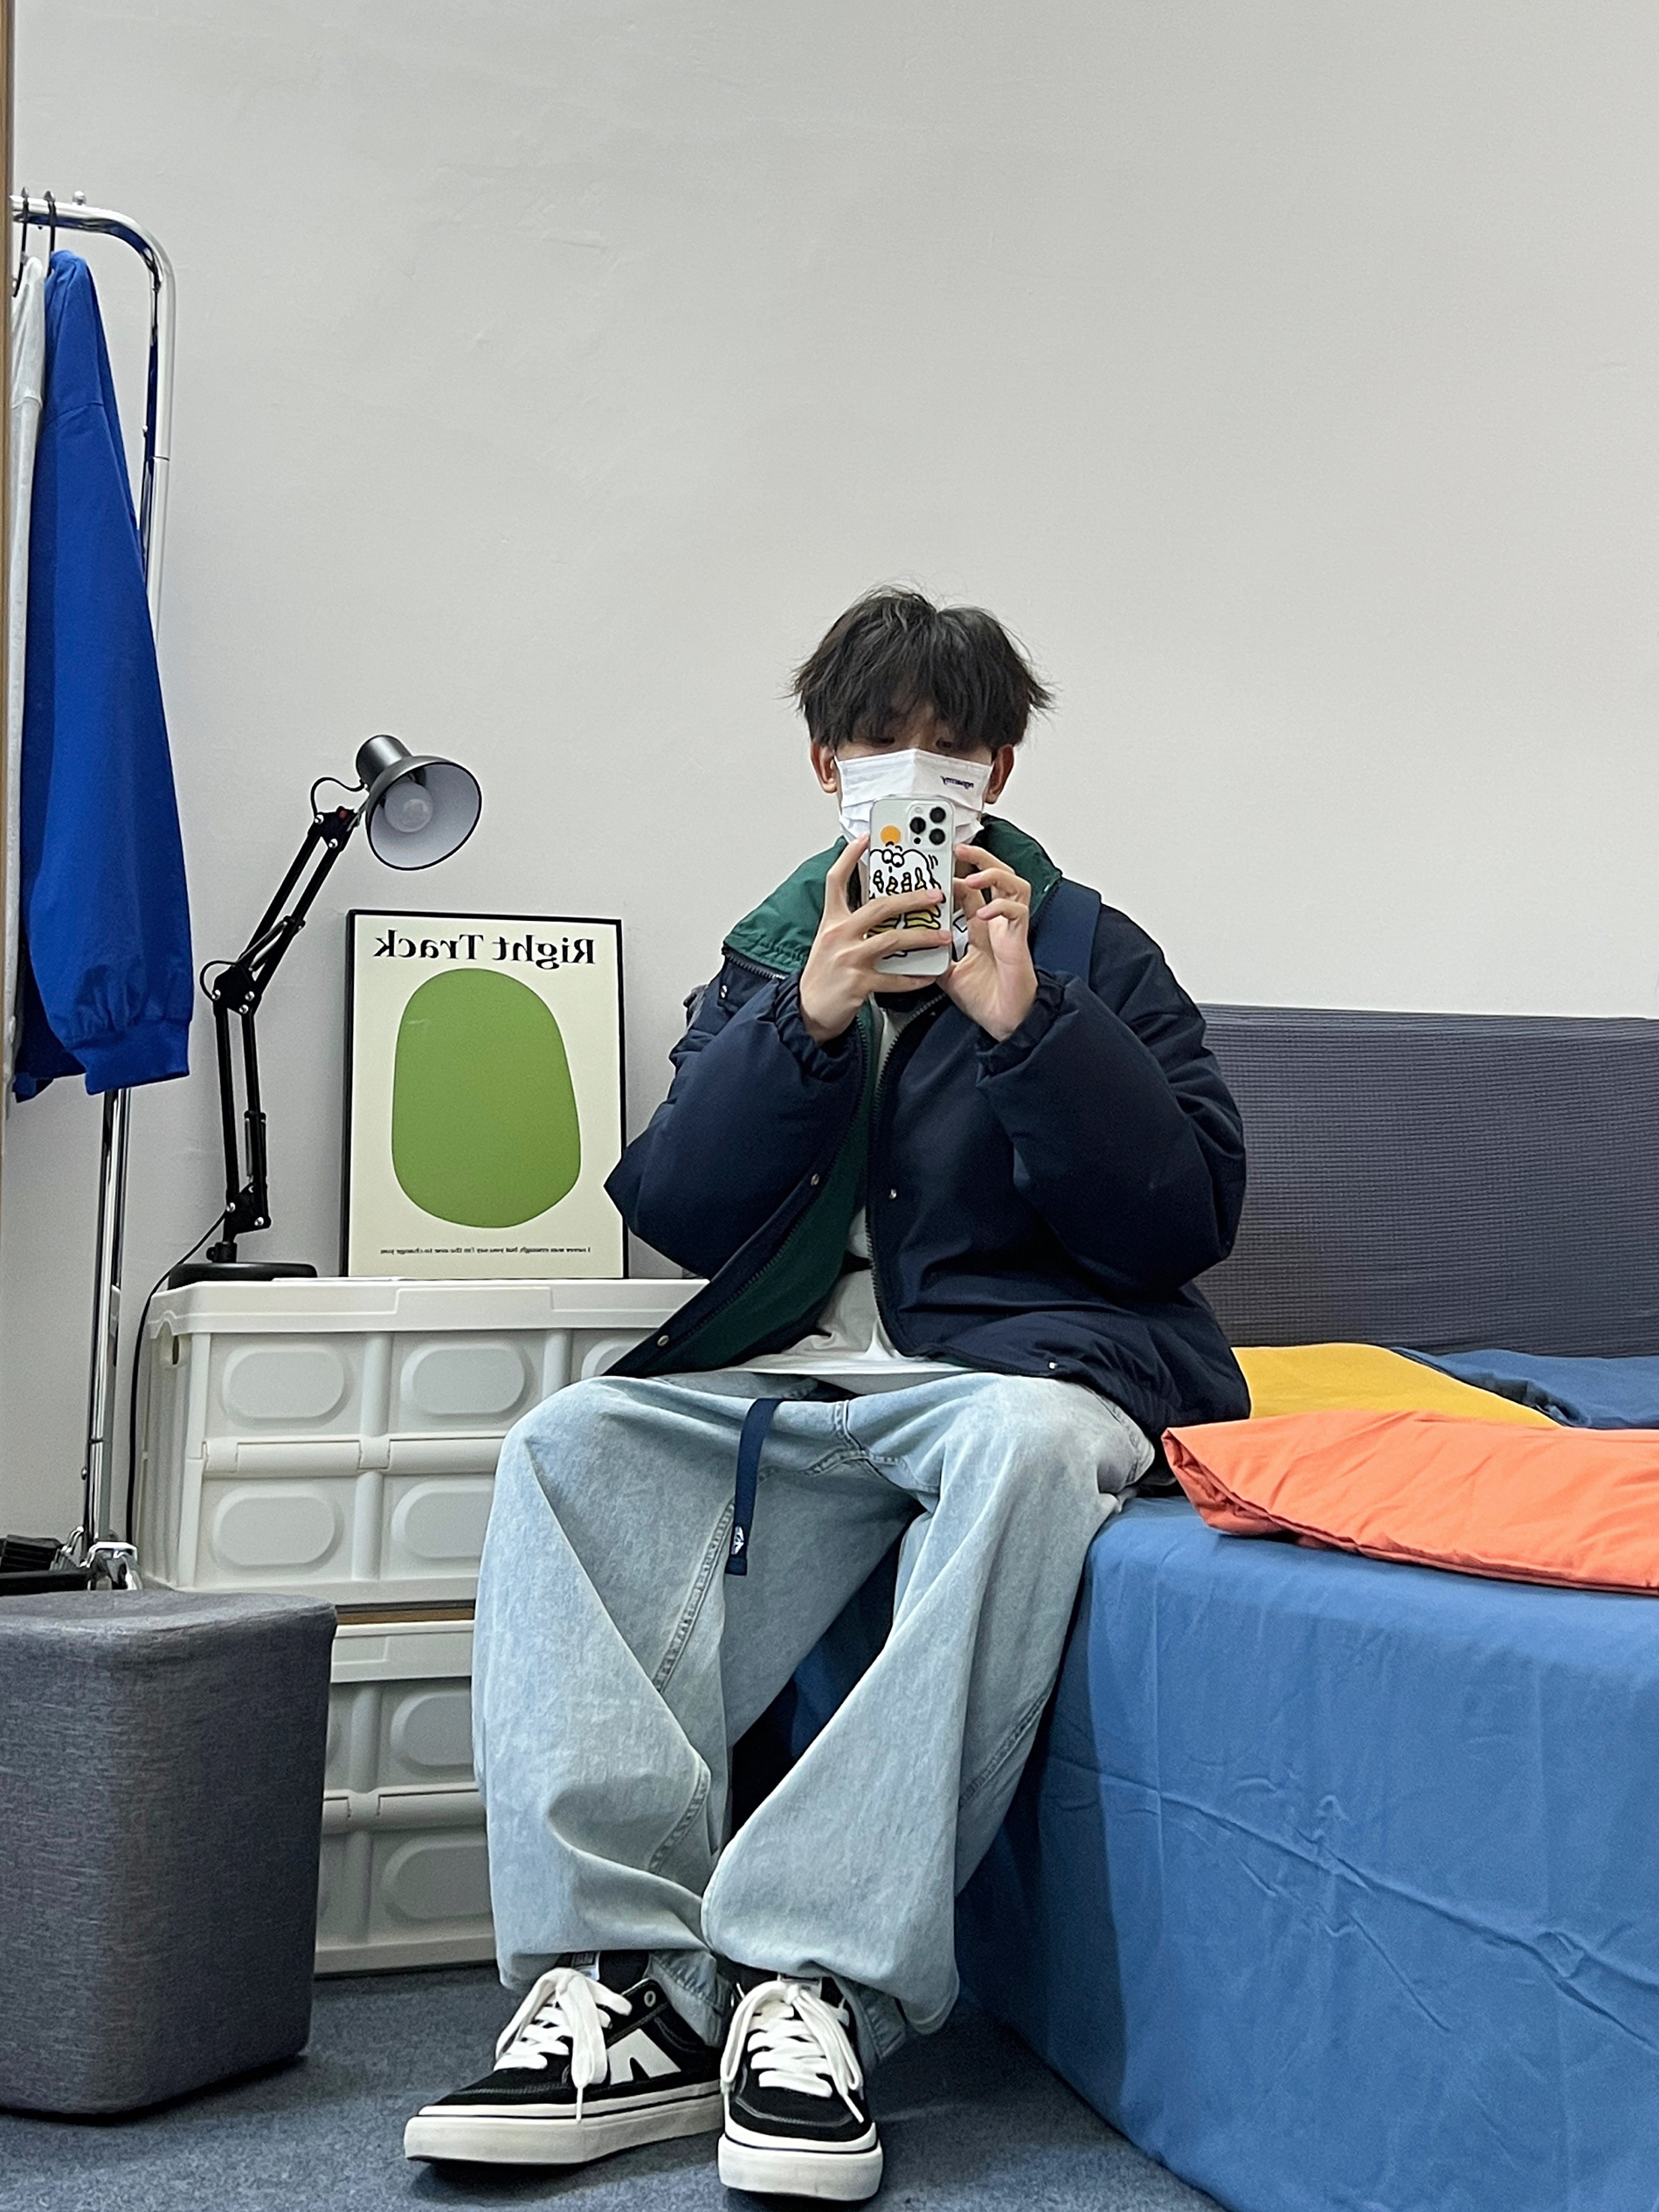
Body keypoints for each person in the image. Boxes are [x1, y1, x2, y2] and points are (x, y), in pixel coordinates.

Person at [404, 588, 1248, 2199]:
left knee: (1030, 1445)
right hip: (800, 1380)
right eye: (879, 747)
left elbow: (1186, 1218)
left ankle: (814, 1979)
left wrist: (1031, 1026)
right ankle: (630, 1991)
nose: (915, 775)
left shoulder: (1092, 948)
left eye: (952, 750)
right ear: (825, 767)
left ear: (997, 771)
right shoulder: (771, 954)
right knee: (567, 1443)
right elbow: (679, 1209)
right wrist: (803, 1023)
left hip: (1018, 1369)